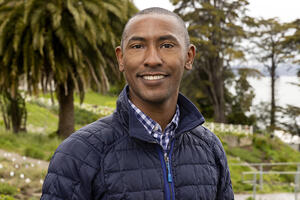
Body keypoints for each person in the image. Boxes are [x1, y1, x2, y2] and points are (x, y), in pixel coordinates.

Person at [41, 7, 234, 200]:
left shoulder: (210, 148)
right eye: (137, 46)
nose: (152, 60)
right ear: (121, 58)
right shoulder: (79, 153)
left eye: (167, 45)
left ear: (189, 57)